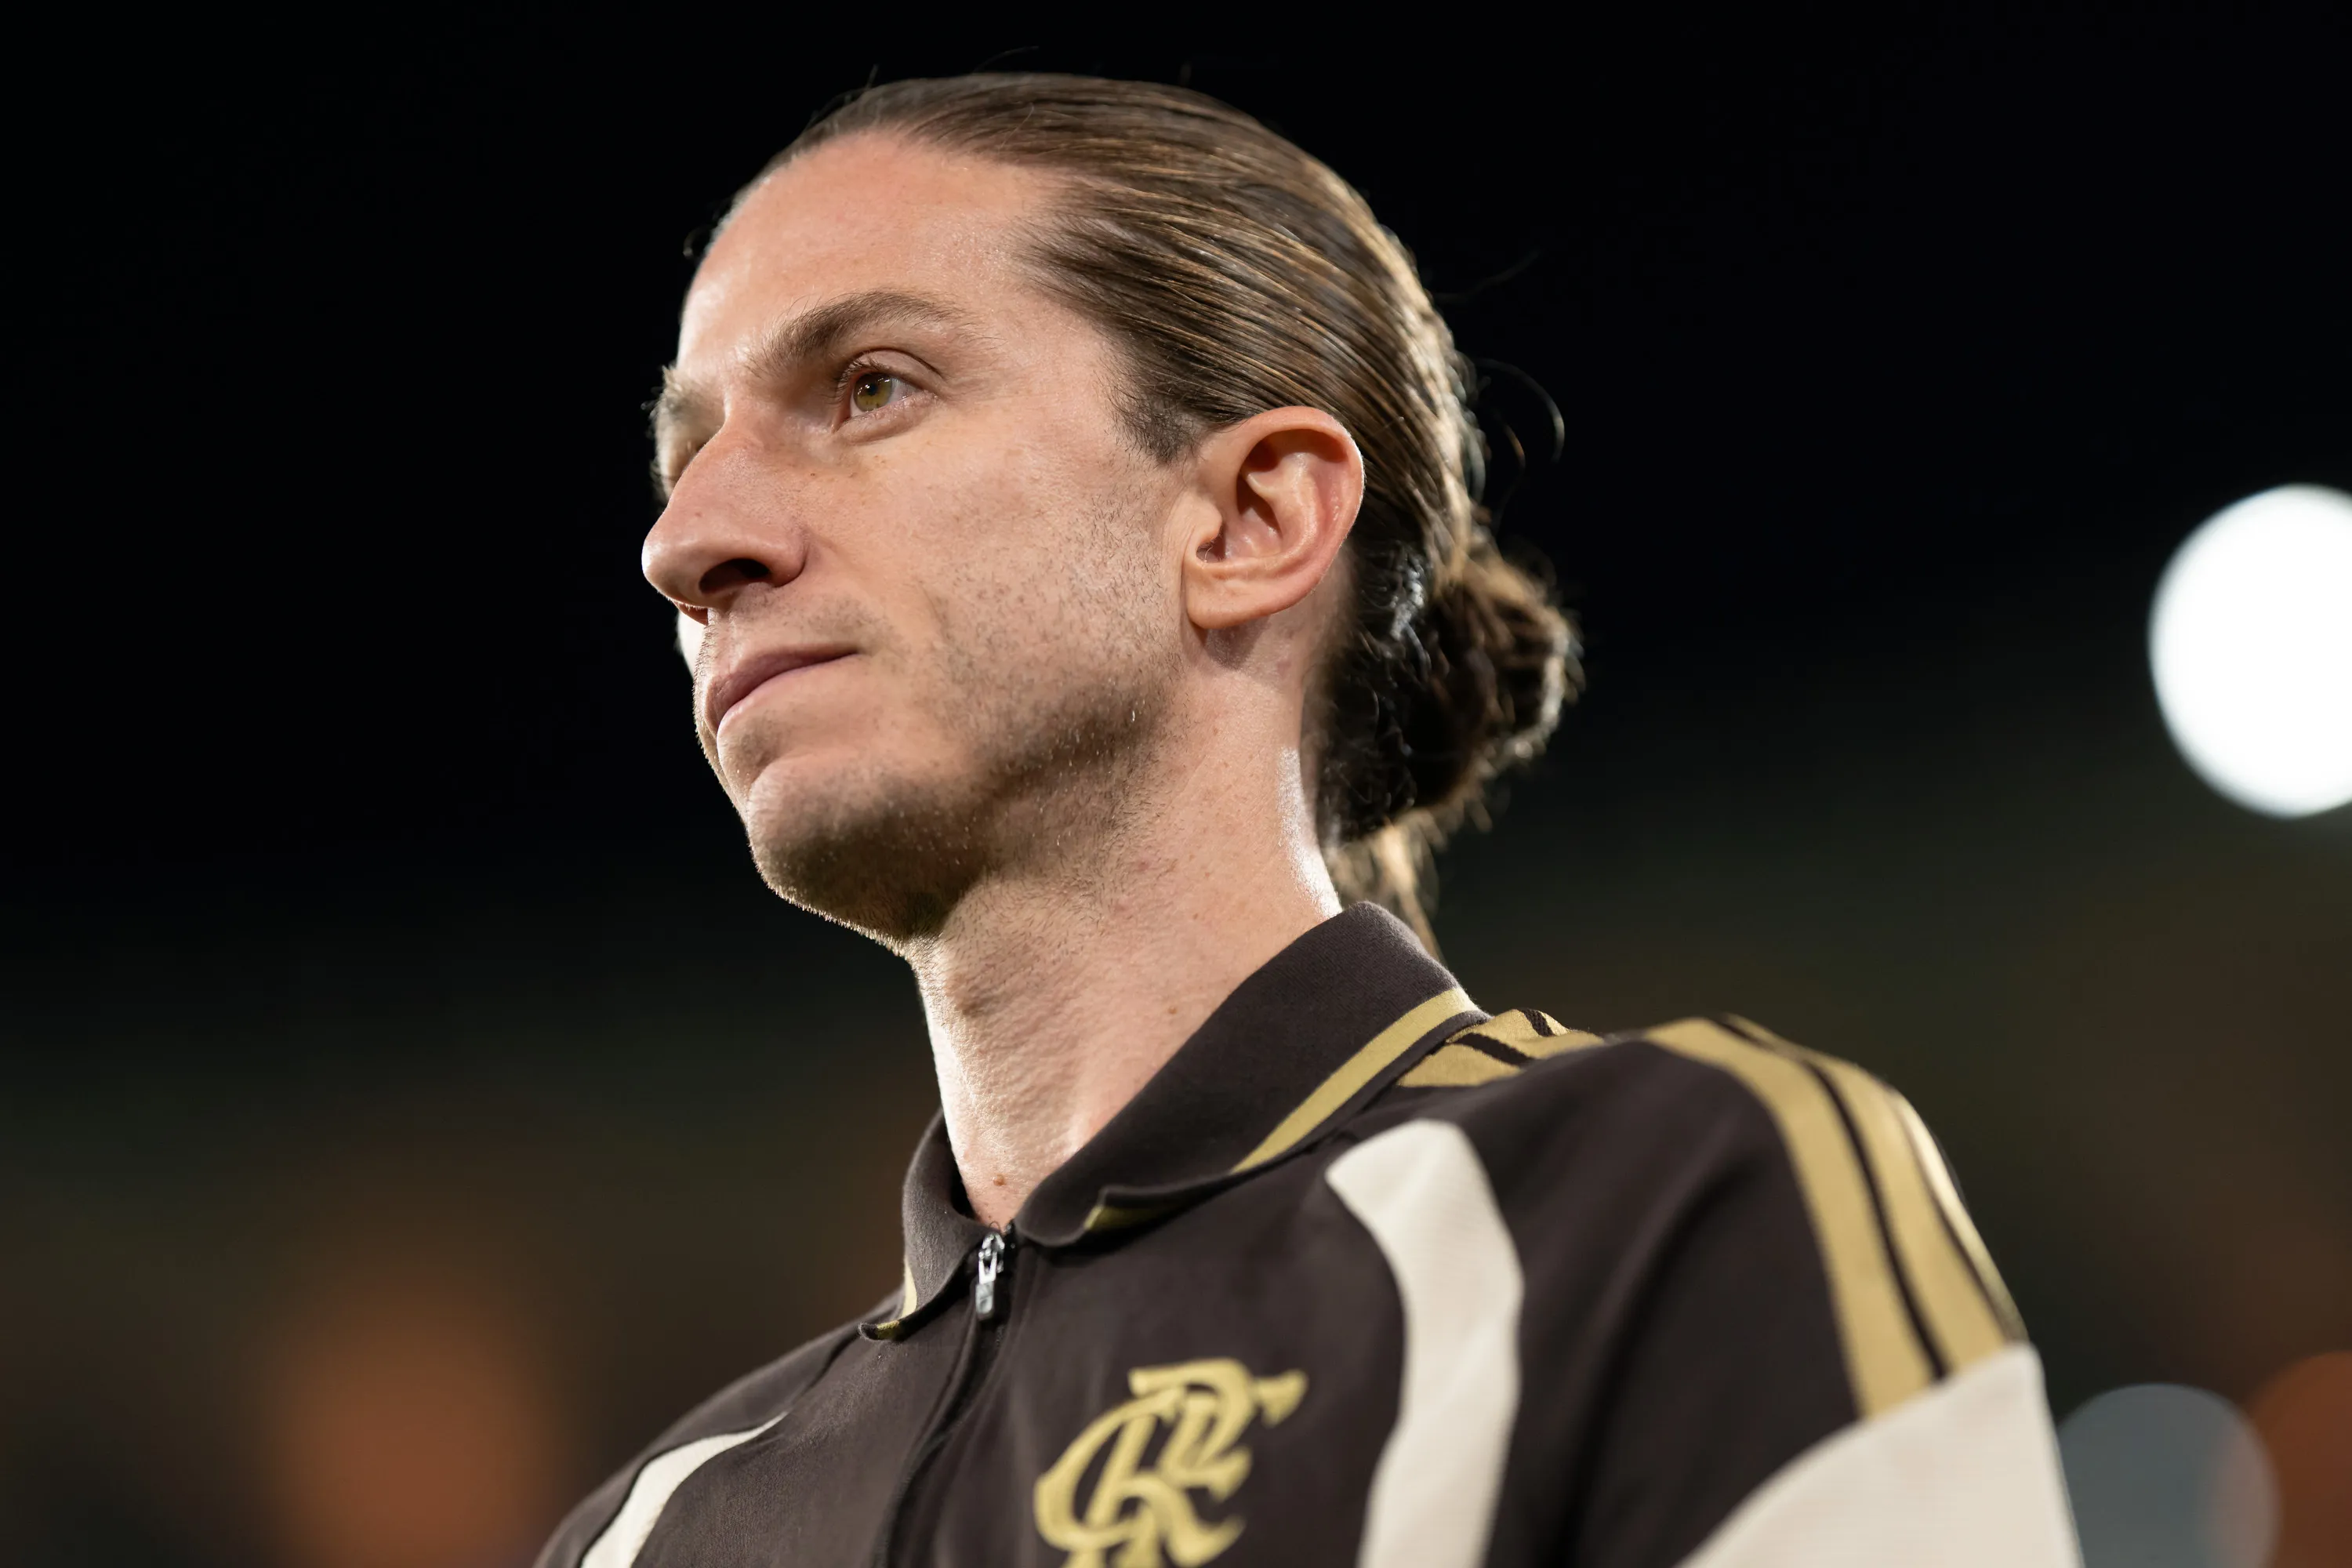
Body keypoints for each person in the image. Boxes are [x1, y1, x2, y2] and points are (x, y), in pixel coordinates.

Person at [539, 73, 2080, 1568]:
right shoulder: (649, 1535)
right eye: (686, 456)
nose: (688, 542)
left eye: (870, 387)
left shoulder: (1652, 1204)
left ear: (1250, 519)